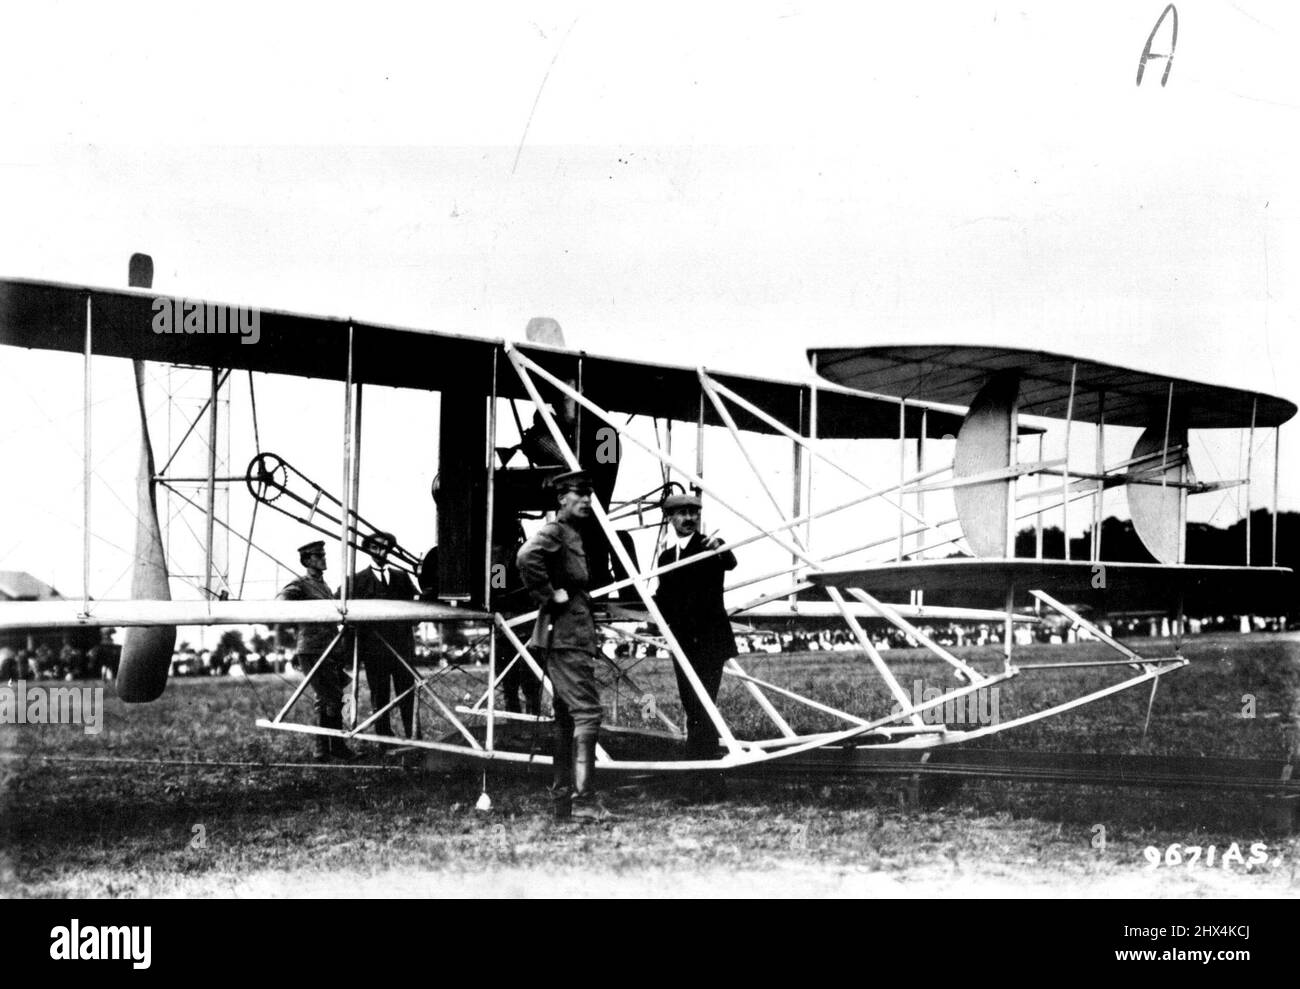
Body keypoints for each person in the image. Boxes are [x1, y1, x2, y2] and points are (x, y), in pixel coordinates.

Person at [516, 468, 609, 823]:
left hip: (568, 635)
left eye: (589, 494)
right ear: (561, 499)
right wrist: (547, 594)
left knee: (566, 718)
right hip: (565, 637)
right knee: (587, 713)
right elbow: (526, 557)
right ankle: (584, 802)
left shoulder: (572, 533)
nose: (586, 500)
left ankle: (563, 802)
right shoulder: (556, 531)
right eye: (578, 494)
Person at [653, 492, 738, 800]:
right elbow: (663, 597)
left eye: (693, 512)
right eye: (682, 513)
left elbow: (730, 562)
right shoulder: (665, 557)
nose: (688, 518)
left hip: (709, 642)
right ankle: (712, 782)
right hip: (683, 643)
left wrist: (721, 548)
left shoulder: (708, 546)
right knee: (694, 709)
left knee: (702, 708)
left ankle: (696, 782)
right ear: (670, 518)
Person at [277, 540, 355, 763]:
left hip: (330, 647)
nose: (323, 559)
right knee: (331, 697)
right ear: (307, 561)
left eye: (323, 555)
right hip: (312, 649)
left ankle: (326, 748)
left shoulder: (325, 586)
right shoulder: (301, 584)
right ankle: (333, 747)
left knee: (329, 697)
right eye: (318, 556)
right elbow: (282, 600)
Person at [346, 531, 420, 738]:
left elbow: (418, 604)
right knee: (380, 696)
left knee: (407, 692)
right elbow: (341, 608)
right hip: (375, 652)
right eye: (375, 547)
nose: (381, 551)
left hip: (402, 648)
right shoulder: (356, 580)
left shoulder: (402, 577)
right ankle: (384, 738)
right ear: (368, 549)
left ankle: (413, 735)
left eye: (385, 547)